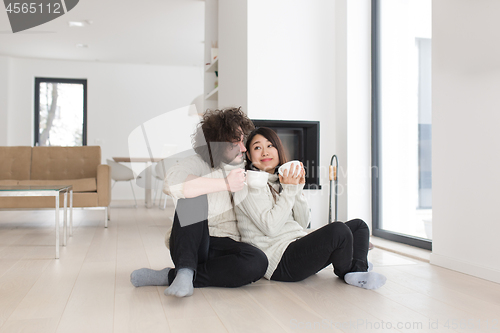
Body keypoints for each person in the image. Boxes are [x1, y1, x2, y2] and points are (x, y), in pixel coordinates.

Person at [130, 107, 268, 297]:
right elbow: (172, 183)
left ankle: (173, 276)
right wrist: (225, 184)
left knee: (258, 261)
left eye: (242, 140)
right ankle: (185, 270)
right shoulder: (198, 162)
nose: (243, 148)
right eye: (234, 143)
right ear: (216, 144)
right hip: (192, 242)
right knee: (192, 195)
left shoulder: (247, 167)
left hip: (225, 248)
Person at [234, 127, 386, 289]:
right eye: (257, 147)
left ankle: (357, 270)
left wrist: (297, 189)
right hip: (279, 262)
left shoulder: (282, 181)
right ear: (249, 156)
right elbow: (271, 228)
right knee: (339, 231)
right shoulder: (246, 185)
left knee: (359, 226)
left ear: (279, 150)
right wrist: (290, 191)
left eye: (270, 146)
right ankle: (353, 269)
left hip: (297, 246)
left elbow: (302, 223)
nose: (265, 152)